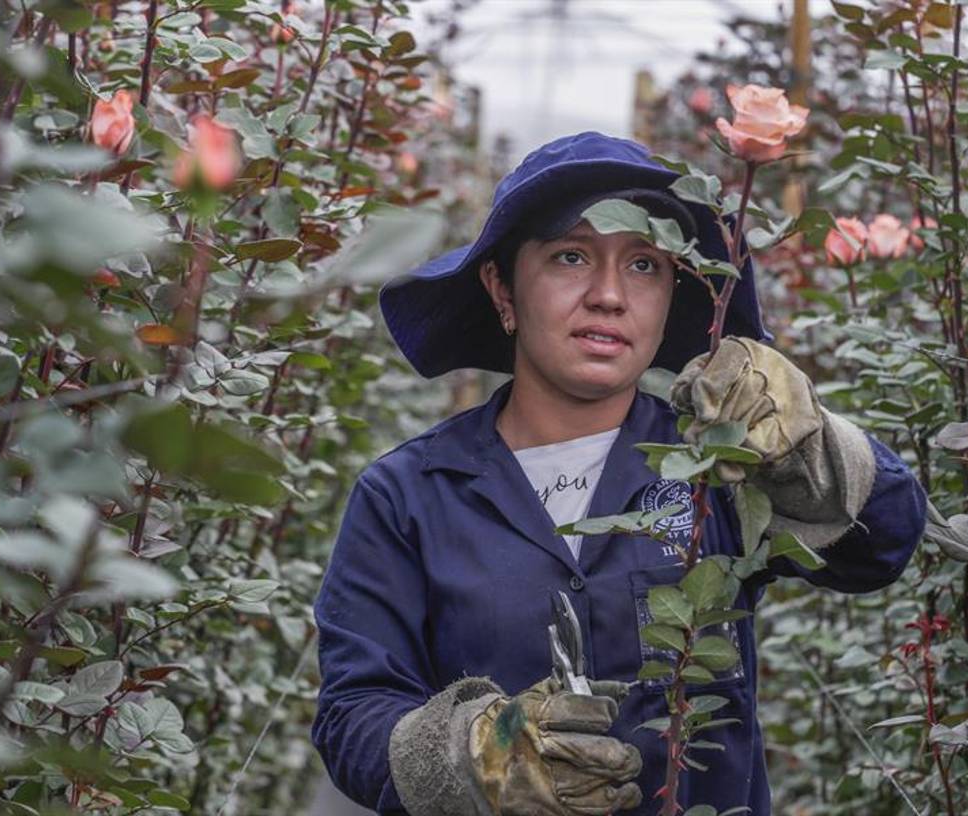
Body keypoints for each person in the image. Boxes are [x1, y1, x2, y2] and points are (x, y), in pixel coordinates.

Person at [311, 131, 927, 816]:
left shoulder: (720, 469)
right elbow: (352, 715)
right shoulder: (405, 496)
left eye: (644, 266)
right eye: (570, 256)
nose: (608, 294)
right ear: (501, 287)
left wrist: (809, 443)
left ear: (672, 299)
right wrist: (477, 754)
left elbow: (884, 545)